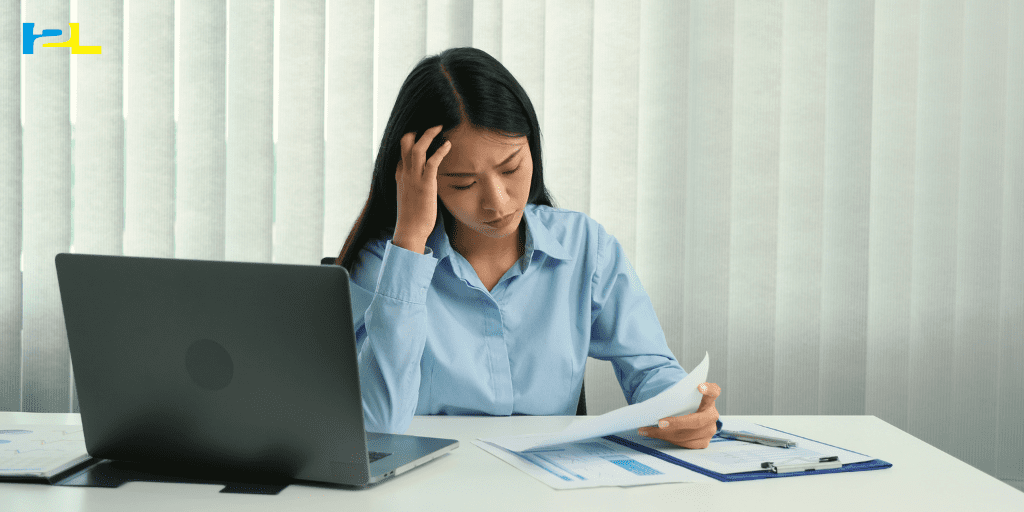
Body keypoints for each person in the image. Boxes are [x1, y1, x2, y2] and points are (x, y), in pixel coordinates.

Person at [334, 47, 722, 449]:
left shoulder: (585, 246)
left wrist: (684, 412)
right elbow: (379, 425)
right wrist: (411, 238)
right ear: (419, 178)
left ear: (531, 147)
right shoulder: (386, 265)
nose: (498, 203)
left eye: (511, 168)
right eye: (463, 183)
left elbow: (649, 369)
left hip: (551, 485)